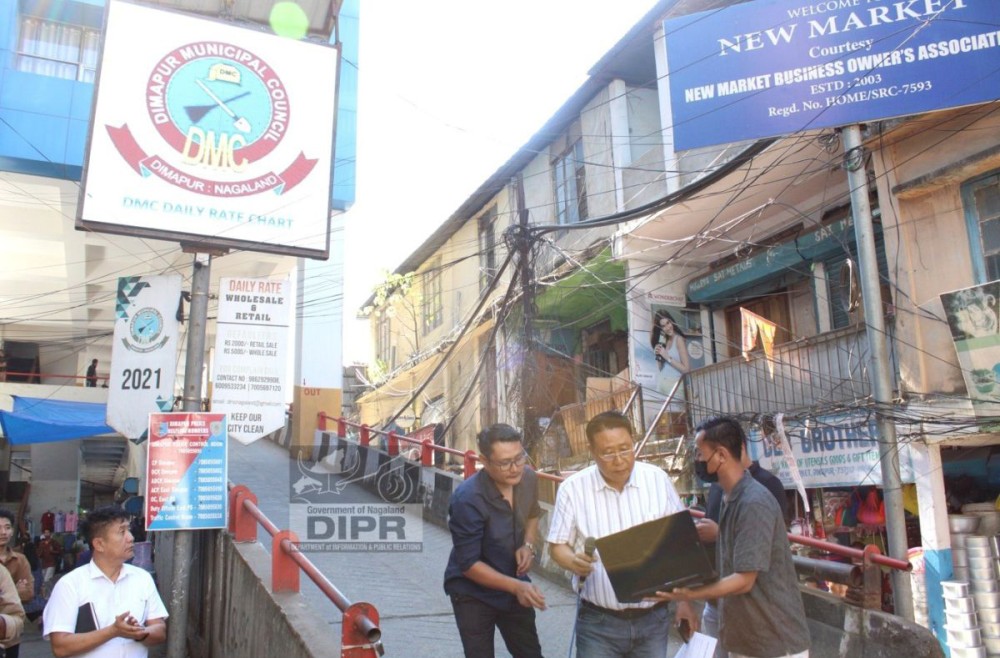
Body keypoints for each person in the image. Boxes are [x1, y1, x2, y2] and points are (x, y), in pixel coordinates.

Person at [655, 416, 810, 658]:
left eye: (699, 452)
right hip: (745, 639)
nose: (696, 459)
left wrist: (690, 595)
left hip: (775, 643)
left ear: (720, 455)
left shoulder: (753, 502)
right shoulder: (728, 496)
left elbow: (744, 580)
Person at [547, 410, 698, 658]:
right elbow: (557, 546)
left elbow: (677, 544)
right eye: (608, 452)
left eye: (625, 448)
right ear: (592, 451)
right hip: (598, 623)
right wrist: (573, 561)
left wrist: (684, 601)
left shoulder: (657, 480)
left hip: (653, 620)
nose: (619, 460)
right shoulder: (573, 489)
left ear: (633, 442)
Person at [443, 424, 545, 658]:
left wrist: (528, 545)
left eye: (519, 458)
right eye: (504, 463)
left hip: (513, 581)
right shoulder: (467, 499)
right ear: (484, 461)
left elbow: (533, 513)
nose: (514, 468)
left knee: (530, 653)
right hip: (472, 592)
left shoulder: (528, 477)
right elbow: (469, 565)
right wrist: (518, 586)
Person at [695, 418, 788, 658]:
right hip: (718, 604)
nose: (699, 460)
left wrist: (719, 533)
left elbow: (765, 542)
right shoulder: (719, 487)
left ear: (726, 452)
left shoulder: (765, 487)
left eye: (701, 453)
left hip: (754, 610)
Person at [43, 506, 167, 657]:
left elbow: (159, 630)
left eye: (129, 530)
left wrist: (138, 632)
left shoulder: (142, 578)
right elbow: (60, 647)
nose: (131, 537)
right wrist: (113, 631)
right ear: (99, 544)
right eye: (122, 532)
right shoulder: (70, 584)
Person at [0, 510, 31, 658]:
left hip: (11, 633)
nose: (3, 532)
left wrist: (8, 594)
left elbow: (28, 593)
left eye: (7, 527)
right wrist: (12, 590)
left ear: (12, 531)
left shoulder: (20, 560)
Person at [37, 529, 60, 599]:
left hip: (51, 563)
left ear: (50, 534)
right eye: (45, 533)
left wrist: (52, 551)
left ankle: (47, 596)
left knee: (47, 579)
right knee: (44, 579)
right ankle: (45, 594)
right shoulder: (41, 543)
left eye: (48, 532)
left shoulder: (54, 542)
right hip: (44, 563)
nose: (46, 534)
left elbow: (59, 551)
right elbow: (38, 552)